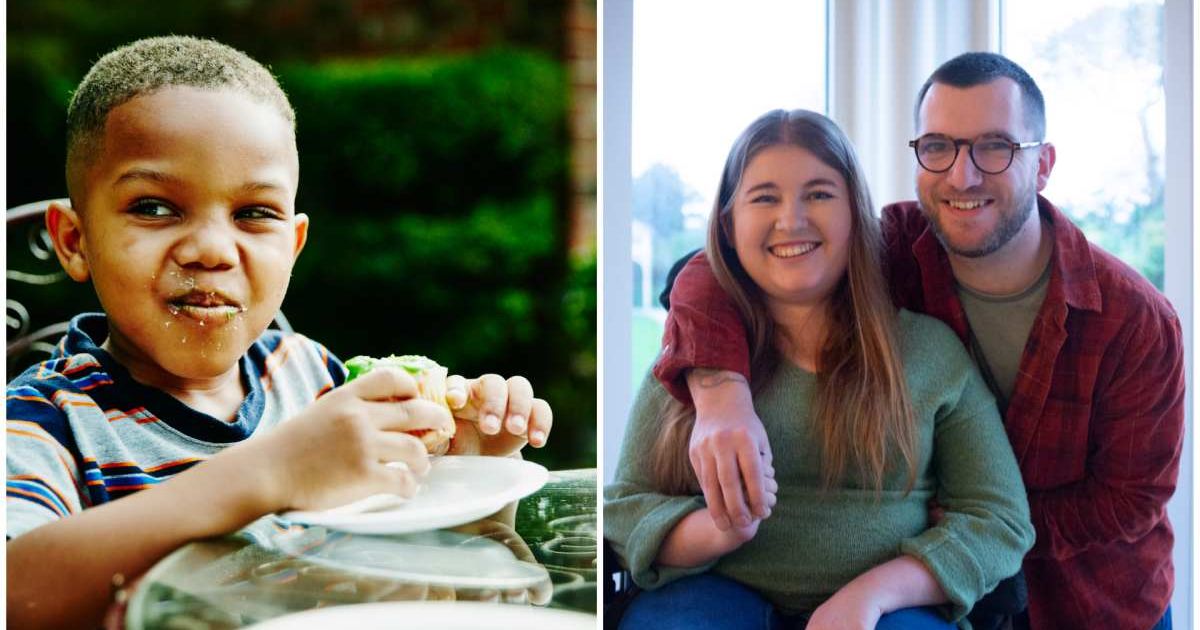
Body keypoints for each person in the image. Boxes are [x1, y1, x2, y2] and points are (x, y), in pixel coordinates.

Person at [6, 36, 553, 629]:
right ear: (74, 240)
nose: (213, 250)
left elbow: (416, 573)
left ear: (292, 246)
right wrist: (267, 473)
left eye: (253, 214)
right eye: (155, 207)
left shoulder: (314, 377)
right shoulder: (42, 423)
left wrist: (473, 478)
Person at [655, 53, 1184, 629]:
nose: (963, 175)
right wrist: (720, 393)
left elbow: (1129, 501)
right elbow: (711, 270)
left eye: (995, 147)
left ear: (1044, 163)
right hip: (926, 594)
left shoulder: (1134, 320)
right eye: (938, 147)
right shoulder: (890, 250)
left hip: (1086, 601)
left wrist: (953, 521)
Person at [605, 108, 1034, 630]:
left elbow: (999, 519)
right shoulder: (692, 357)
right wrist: (720, 530)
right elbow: (624, 510)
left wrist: (872, 596)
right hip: (710, 592)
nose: (792, 219)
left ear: (855, 212)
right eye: (764, 198)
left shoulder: (930, 353)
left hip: (893, 607)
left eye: (819, 194)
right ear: (728, 223)